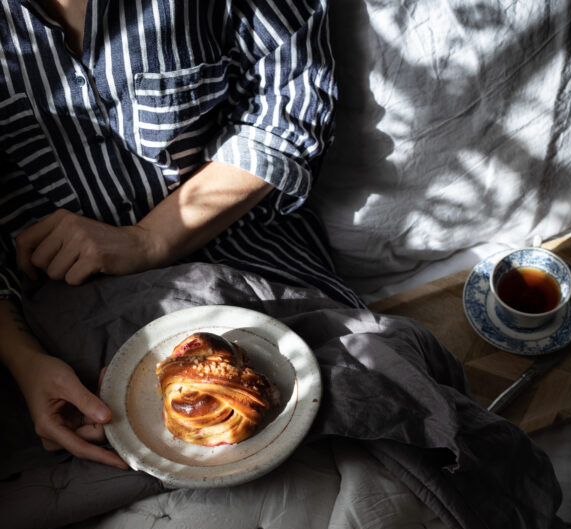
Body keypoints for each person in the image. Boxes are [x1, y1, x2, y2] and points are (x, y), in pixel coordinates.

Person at [0, 0, 358, 469]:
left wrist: (151, 240)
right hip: (56, 333)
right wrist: (25, 363)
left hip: (251, 264)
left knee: (373, 400)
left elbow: (288, 108)